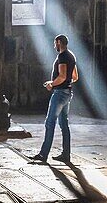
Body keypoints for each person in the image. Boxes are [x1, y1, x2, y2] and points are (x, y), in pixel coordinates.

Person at [29, 34, 79, 163]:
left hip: (60, 94)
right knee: (64, 124)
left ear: (59, 42)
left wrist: (52, 84)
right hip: (68, 92)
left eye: (55, 43)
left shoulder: (62, 56)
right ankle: (65, 155)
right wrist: (63, 83)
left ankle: (43, 155)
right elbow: (74, 76)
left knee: (50, 122)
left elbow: (62, 76)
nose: (54, 45)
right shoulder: (71, 56)